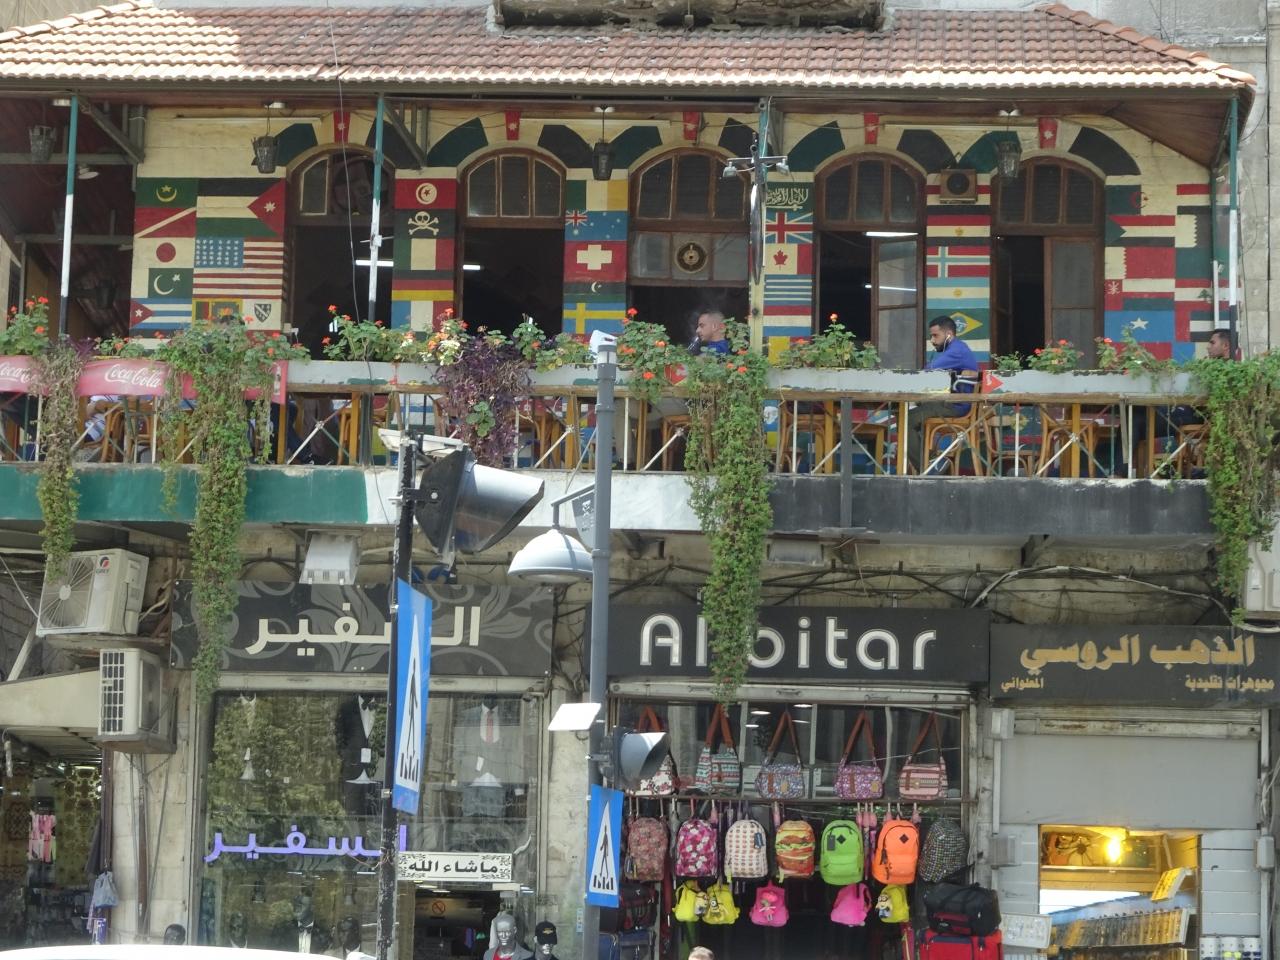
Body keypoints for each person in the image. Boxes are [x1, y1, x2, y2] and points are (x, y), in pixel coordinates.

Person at [907, 315, 979, 472]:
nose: (932, 340)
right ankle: (933, 459)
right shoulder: (958, 348)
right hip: (953, 402)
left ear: (948, 335)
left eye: (935, 335)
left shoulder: (956, 351)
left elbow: (927, 371)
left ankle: (928, 469)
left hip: (956, 405)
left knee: (907, 420)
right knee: (913, 412)